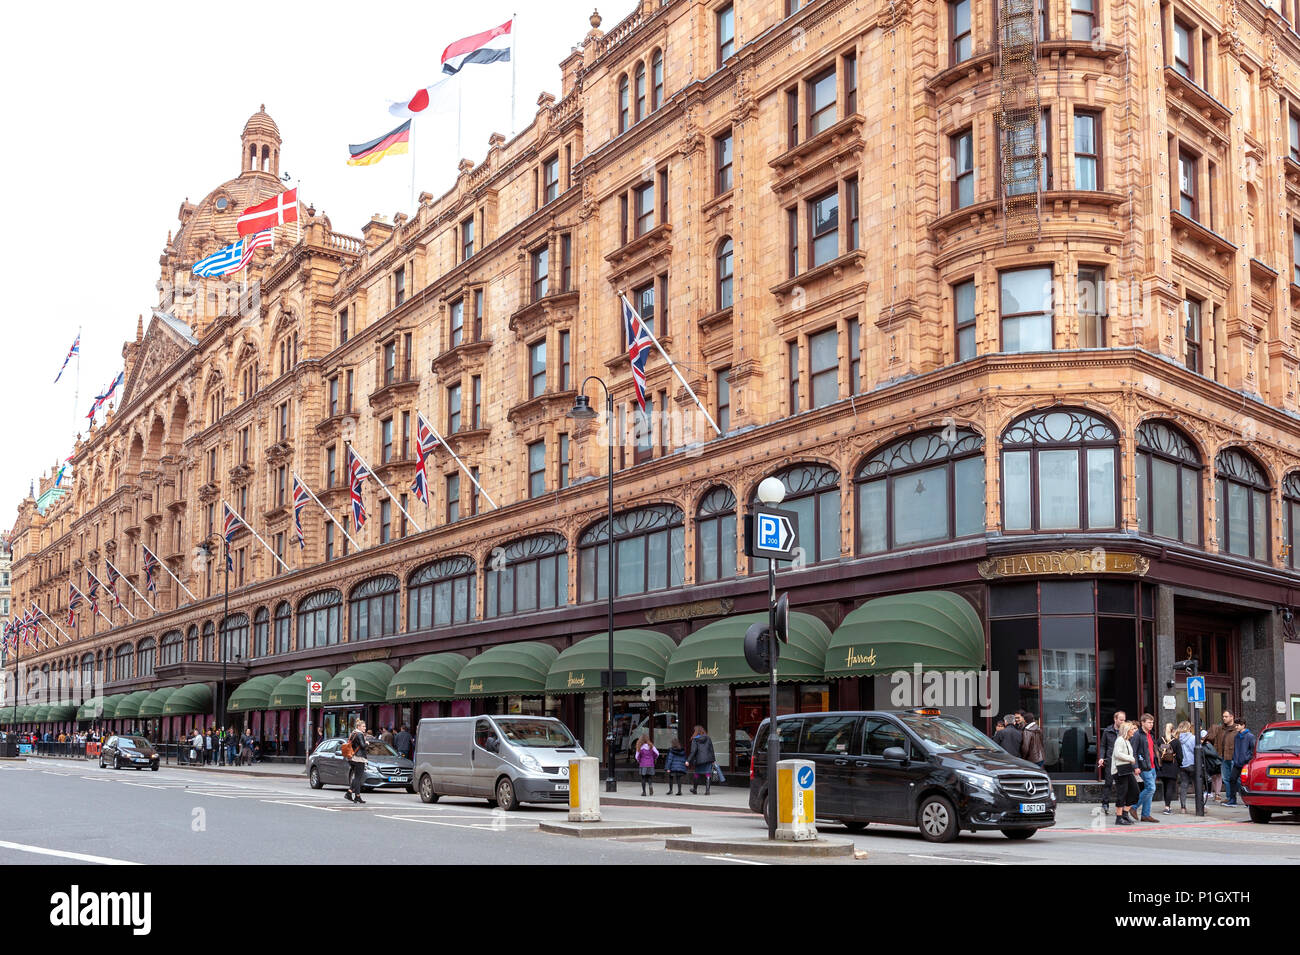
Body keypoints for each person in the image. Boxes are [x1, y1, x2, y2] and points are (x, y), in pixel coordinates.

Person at [1132, 713, 1160, 823]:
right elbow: (1133, 751)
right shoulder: (1137, 735)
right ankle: (1133, 806)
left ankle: (1145, 814)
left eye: (1152, 722)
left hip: (1152, 766)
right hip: (1144, 766)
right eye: (1149, 722)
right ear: (1142, 723)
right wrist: (1135, 766)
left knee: (1150, 791)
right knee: (1151, 788)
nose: (1151, 724)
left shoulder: (1150, 735)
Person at [1111, 720, 1140, 825]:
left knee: (1135, 791)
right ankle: (1118, 818)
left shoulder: (1127, 741)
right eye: (1132, 729)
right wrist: (1131, 758)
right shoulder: (1120, 740)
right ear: (1127, 730)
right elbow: (1118, 754)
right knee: (1122, 793)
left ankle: (1125, 814)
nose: (1134, 731)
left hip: (1126, 770)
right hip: (1119, 771)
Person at [1099, 710, 1126, 814]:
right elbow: (1102, 746)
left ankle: (1120, 806)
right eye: (1121, 720)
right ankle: (1105, 803)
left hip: (1122, 761)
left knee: (1122, 785)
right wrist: (1101, 757)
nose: (1123, 722)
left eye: (1124, 720)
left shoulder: (1125, 732)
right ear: (1115, 719)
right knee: (1108, 783)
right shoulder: (1107, 731)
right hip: (1110, 760)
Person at [1227, 718, 1255, 807]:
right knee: (1232, 779)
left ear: (1243, 725)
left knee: (1245, 782)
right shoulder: (1237, 737)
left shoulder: (1250, 736)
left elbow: (1253, 749)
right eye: (1236, 725)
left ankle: (1248, 801)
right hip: (1237, 763)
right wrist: (1235, 758)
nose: (1236, 727)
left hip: (1245, 763)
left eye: (1238, 725)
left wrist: (1247, 758)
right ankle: (1232, 799)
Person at [1156, 721, 1180, 815]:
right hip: (1172, 767)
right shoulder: (1176, 741)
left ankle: (1166, 805)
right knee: (1170, 787)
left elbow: (1156, 753)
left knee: (1166, 786)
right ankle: (1167, 807)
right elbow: (1180, 756)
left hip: (1162, 767)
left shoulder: (1159, 740)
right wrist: (1179, 765)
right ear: (1173, 730)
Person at [686, 725, 716, 795]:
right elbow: (711, 749)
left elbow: (693, 751)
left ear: (696, 732)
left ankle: (695, 789)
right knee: (708, 774)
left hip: (699, 760)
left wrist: (688, 760)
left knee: (696, 774)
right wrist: (713, 759)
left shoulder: (695, 739)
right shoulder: (708, 738)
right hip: (708, 759)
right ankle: (707, 791)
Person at [346, 718, 369, 804]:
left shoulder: (353, 733)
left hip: (352, 757)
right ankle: (349, 793)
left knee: (357, 777)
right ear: (358, 726)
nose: (365, 728)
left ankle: (357, 796)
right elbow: (363, 746)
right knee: (358, 777)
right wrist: (367, 743)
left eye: (365, 726)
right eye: (363, 726)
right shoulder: (359, 734)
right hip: (359, 758)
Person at [1175, 720, 1196, 813]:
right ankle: (1200, 806)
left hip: (1182, 764)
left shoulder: (1177, 738)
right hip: (1192, 763)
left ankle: (1183, 807)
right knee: (1197, 785)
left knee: (1184, 785)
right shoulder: (1192, 738)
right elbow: (1195, 750)